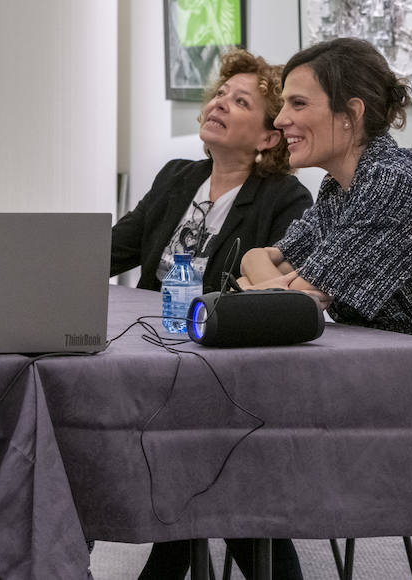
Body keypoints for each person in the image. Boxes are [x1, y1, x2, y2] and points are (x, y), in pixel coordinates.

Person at [240, 37, 412, 436]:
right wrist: (277, 288)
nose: (279, 120)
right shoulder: (341, 186)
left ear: (351, 113)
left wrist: (271, 290)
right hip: (383, 375)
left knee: (264, 429)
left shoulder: (393, 185)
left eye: (298, 104)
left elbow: (293, 310)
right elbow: (259, 261)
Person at [112, 48, 311, 580]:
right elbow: (114, 250)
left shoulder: (285, 199)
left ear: (269, 137)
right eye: (220, 94)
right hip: (154, 359)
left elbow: (276, 303)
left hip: (231, 376)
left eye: (240, 101)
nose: (219, 103)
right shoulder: (178, 178)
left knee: (213, 468)